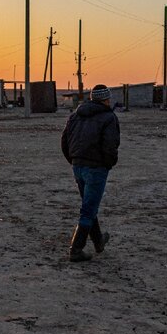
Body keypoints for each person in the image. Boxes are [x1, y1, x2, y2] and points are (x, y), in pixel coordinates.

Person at [60, 84, 120, 262]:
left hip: (78, 165)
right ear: (106, 99)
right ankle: (76, 249)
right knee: (88, 209)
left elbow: (64, 141)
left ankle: (99, 241)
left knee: (89, 205)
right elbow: (111, 145)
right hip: (96, 167)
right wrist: (108, 164)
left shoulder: (75, 115)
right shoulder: (109, 117)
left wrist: (73, 160)